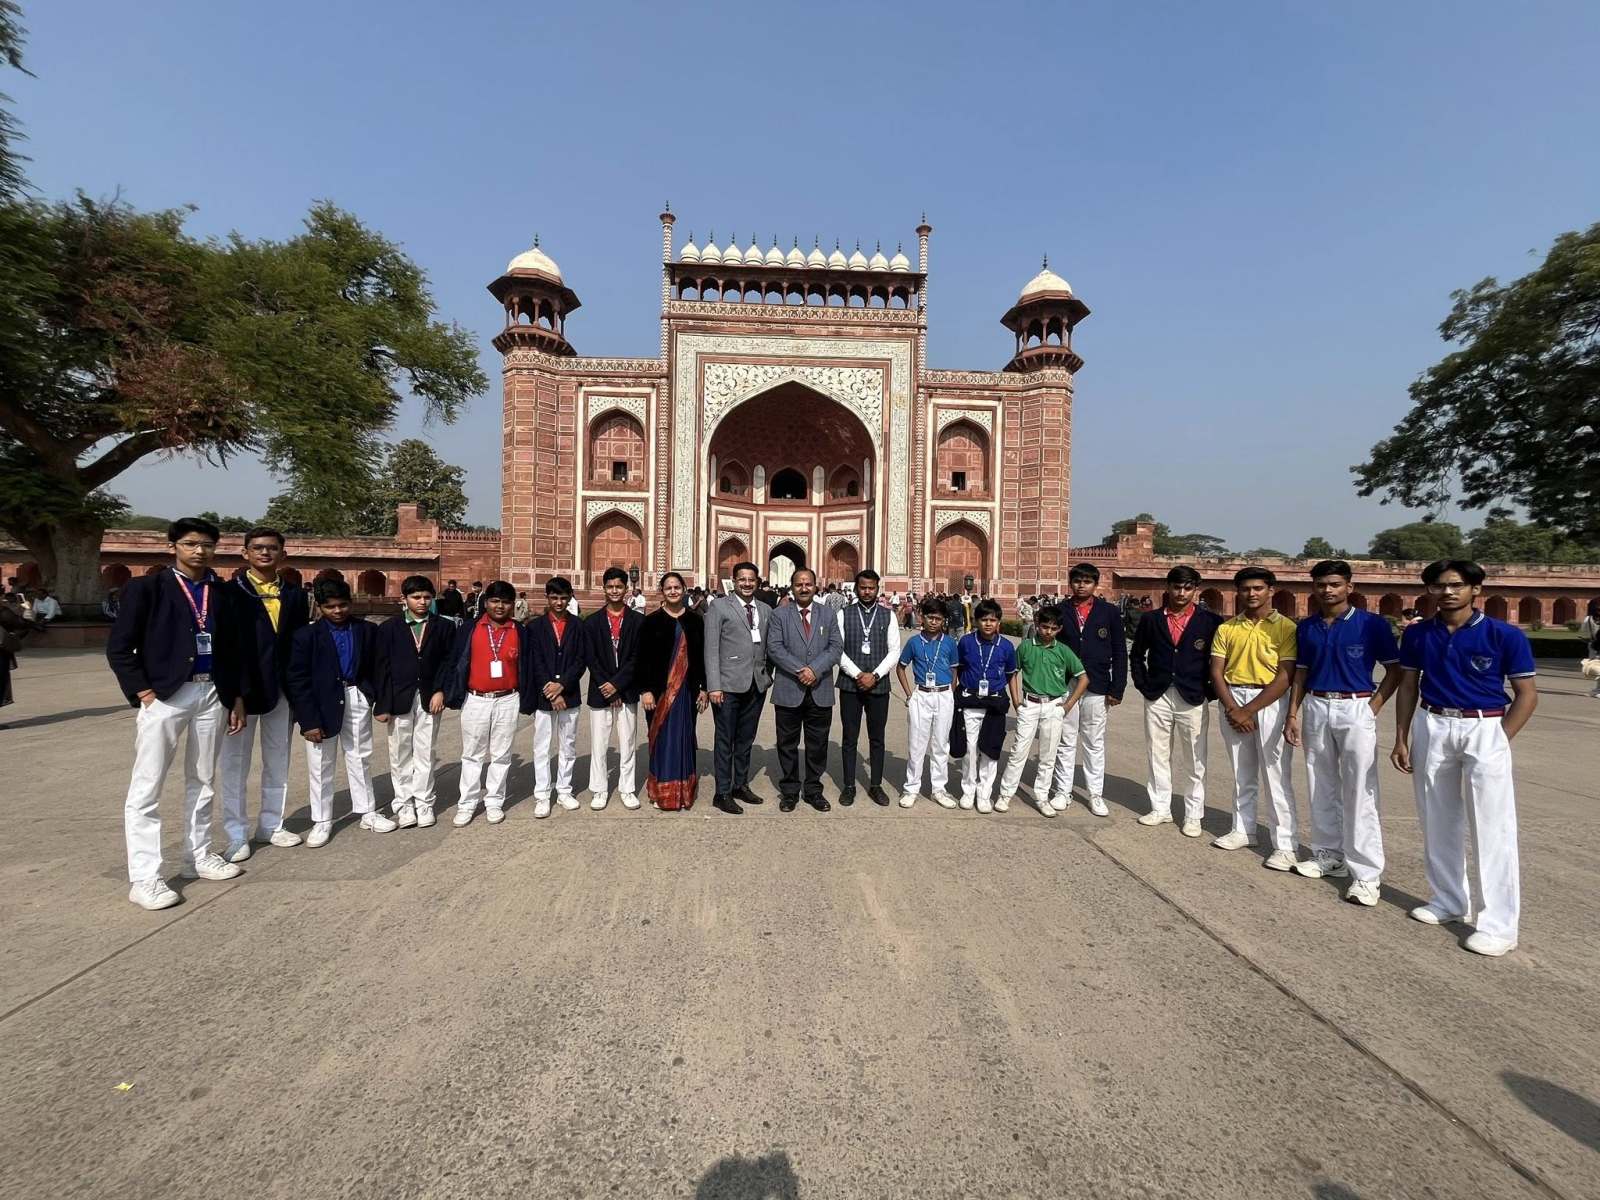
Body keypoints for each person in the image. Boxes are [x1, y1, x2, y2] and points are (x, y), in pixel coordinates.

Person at [1391, 560, 1537, 956]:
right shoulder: (1419, 633)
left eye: (1456, 585)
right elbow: (1408, 685)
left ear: (1476, 589)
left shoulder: (1503, 635)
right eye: (1438, 586)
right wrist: (1402, 736)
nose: (1447, 592)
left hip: (1484, 724)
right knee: (1436, 817)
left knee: (1492, 826)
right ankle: (1448, 899)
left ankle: (1499, 925)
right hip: (1433, 721)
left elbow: (1526, 694)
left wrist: (1500, 739)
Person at [107, 517, 250, 909]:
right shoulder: (147, 588)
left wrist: (236, 696)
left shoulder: (222, 592)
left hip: (212, 692)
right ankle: (145, 877)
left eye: (207, 544)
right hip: (166, 695)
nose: (199, 551)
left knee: (203, 779)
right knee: (148, 786)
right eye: (190, 543)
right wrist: (144, 692)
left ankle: (197, 855)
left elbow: (234, 649)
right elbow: (119, 647)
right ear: (173, 546)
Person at [1284, 561, 1402, 903]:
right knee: (1320, 783)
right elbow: (1301, 673)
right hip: (1317, 704)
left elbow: (1394, 671)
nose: (1327, 590)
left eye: (1334, 584)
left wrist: (1372, 707)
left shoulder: (1371, 625)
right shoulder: (1307, 627)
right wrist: (1293, 713)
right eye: (1321, 584)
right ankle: (1328, 855)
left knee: (1360, 789)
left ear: (1349, 587)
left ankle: (1366, 874)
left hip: (1356, 705)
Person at [221, 527, 311, 861]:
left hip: (281, 688)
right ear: (244, 553)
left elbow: (298, 644)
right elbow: (225, 647)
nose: (264, 553)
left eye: (272, 548)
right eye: (257, 548)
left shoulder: (294, 595)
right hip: (241, 691)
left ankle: (271, 824)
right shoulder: (229, 593)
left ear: (282, 554)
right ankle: (235, 832)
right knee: (235, 763)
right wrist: (233, 693)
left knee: (277, 759)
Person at [287, 578, 392, 846]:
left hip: (356, 694)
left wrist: (378, 700)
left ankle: (367, 811)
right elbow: (298, 680)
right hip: (321, 702)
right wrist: (308, 720)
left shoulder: (366, 630)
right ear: (320, 607)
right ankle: (322, 819)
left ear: (350, 603)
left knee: (360, 755)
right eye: (330, 606)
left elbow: (378, 667)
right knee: (321, 762)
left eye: (342, 605)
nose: (337, 611)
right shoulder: (306, 635)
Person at [1208, 567, 1300, 869]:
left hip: (1269, 697)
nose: (1252, 594)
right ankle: (1243, 829)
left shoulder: (1286, 627)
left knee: (1275, 774)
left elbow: (1285, 675)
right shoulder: (1227, 628)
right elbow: (1216, 671)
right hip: (1233, 695)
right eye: (1246, 589)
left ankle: (1285, 845)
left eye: (1258, 588)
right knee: (1240, 771)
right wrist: (1233, 707)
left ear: (1271, 590)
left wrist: (1246, 711)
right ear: (1238, 592)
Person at [1129, 566, 1223, 837]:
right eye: (1177, 587)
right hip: (1158, 693)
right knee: (1157, 752)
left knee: (1195, 758)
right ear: (1167, 587)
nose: (1181, 593)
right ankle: (1160, 808)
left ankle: (1193, 815)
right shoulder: (1152, 619)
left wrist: (1209, 692)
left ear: (1195, 589)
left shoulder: (1210, 621)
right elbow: (1137, 654)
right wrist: (1143, 684)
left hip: (1192, 695)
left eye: (1187, 588)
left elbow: (1218, 660)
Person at [373, 575, 456, 830]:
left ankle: (424, 802)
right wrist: (382, 704)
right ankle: (404, 803)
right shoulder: (389, 628)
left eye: (427, 597)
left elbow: (449, 662)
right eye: (416, 597)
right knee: (400, 752)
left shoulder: (443, 626)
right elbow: (381, 667)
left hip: (430, 696)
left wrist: (441, 691)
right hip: (399, 697)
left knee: (425, 751)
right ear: (404, 599)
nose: (422, 602)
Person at [444, 580, 527, 826]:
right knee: (472, 754)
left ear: (512, 604)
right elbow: (455, 661)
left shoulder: (519, 631)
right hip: (476, 698)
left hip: (507, 698)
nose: (500, 606)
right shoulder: (470, 628)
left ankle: (494, 801)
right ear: (486, 602)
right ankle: (467, 803)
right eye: (495, 601)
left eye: (505, 602)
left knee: (501, 754)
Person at [997, 606, 1089, 817]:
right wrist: (1016, 701)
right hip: (1030, 703)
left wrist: (1068, 705)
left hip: (1054, 705)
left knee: (1048, 756)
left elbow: (1083, 678)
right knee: (1018, 752)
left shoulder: (1063, 650)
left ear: (1059, 629)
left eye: (1053, 628)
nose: (1048, 632)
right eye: (1045, 627)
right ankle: (1005, 794)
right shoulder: (1026, 646)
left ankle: (1042, 796)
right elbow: (1013, 673)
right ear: (1037, 625)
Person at [766, 567, 842, 812]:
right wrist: (801, 670)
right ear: (792, 587)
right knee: (787, 743)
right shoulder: (779, 615)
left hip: (820, 689)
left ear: (815, 586)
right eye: (799, 584)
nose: (804, 588)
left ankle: (813, 790)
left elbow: (836, 647)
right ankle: (789, 791)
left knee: (817, 743)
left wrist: (815, 670)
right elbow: (774, 648)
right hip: (789, 688)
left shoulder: (828, 614)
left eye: (808, 583)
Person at [1056, 563, 1128, 817]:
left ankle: (1095, 794)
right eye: (1077, 581)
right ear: (1071, 583)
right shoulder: (1060, 610)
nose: (1081, 586)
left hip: (1097, 684)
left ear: (1096, 585)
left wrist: (1117, 687)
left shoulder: (1108, 612)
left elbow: (1120, 651)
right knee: (1065, 740)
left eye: (1087, 581)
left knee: (1093, 742)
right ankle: (1062, 791)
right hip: (1067, 684)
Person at [704, 561, 774, 815]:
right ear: (733, 581)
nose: (746, 583)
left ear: (757, 582)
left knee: (746, 739)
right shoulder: (719, 606)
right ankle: (722, 792)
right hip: (727, 686)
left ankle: (740, 785)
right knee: (725, 739)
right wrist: (714, 686)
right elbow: (711, 649)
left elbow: (769, 647)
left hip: (756, 684)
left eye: (751, 580)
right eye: (742, 579)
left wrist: (767, 676)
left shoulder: (765, 609)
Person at [638, 571, 709, 810]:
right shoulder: (651, 621)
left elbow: (701, 658)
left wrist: (704, 688)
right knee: (662, 740)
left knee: (684, 739)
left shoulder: (695, 621)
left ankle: (683, 793)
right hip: (659, 693)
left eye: (677, 587)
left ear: (684, 590)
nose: (673, 591)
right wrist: (645, 690)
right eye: (668, 588)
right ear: (662, 591)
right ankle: (663, 793)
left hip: (687, 692)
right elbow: (642, 659)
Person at [835, 568, 900, 806]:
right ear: (856, 588)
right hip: (850, 685)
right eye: (863, 587)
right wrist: (857, 674)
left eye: (871, 588)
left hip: (878, 685)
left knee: (877, 738)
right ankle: (849, 786)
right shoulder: (844, 614)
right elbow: (837, 649)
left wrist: (875, 675)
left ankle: (876, 785)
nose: (867, 592)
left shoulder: (888, 615)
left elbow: (894, 651)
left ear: (877, 589)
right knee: (849, 737)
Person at [582, 566, 644, 811]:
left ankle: (627, 789)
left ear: (626, 589)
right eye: (610, 587)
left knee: (628, 742)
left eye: (619, 586)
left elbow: (637, 658)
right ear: (604, 589)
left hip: (626, 690)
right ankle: (599, 789)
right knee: (599, 743)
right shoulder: (593, 622)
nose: (615, 591)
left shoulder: (637, 621)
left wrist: (616, 685)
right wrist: (606, 685)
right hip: (600, 691)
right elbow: (591, 657)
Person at [951, 598, 1018, 813]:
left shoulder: (1006, 646)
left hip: (994, 702)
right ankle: (968, 790)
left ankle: (984, 794)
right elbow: (957, 669)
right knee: (970, 749)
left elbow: (1011, 675)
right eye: (984, 619)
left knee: (990, 750)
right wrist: (953, 694)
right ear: (976, 621)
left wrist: (1017, 702)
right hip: (970, 701)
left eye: (993, 620)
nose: (988, 623)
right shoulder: (966, 642)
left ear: (999, 622)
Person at [526, 576, 585, 818]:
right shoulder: (535, 627)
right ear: (547, 598)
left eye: (563, 598)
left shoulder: (578, 626)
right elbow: (535, 661)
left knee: (568, 745)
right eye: (554, 598)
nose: (559, 602)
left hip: (569, 694)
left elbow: (581, 660)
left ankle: (564, 790)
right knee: (542, 746)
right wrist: (550, 690)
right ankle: (542, 794)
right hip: (545, 696)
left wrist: (562, 685)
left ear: (570, 597)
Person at [895, 597, 961, 808]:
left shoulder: (949, 643)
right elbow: (900, 667)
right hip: (921, 694)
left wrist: (950, 692)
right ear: (922, 617)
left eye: (938, 618)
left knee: (941, 744)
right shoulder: (914, 642)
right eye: (930, 617)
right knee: (917, 744)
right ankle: (911, 788)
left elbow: (954, 669)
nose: (933, 622)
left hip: (943, 694)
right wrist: (909, 694)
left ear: (944, 620)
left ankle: (939, 789)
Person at [1581, 598, 1600, 699]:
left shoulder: (1588, 619)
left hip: (1594, 646)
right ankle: (1597, 689)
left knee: (1596, 668)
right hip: (1595, 646)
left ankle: (1598, 690)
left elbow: (1584, 633)